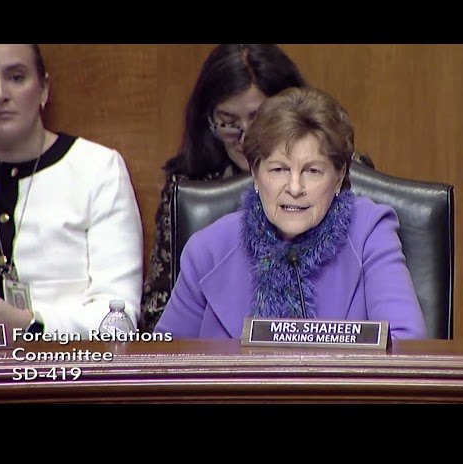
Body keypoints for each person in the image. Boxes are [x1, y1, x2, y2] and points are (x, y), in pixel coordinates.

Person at [155, 86, 427, 340]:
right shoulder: (208, 250)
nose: (295, 188)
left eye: (312, 171)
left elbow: (404, 345)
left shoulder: (369, 232)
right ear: (255, 174)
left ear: (339, 175)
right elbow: (164, 362)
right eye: (279, 170)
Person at [141, 44, 374, 332]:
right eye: (228, 123)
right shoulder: (195, 207)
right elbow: (163, 334)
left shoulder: (364, 219)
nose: (245, 136)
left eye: (258, 117)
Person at [0, 44, 143, 338]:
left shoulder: (98, 169)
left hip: (71, 370)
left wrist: (29, 323)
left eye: (16, 77)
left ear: (43, 90)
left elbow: (119, 321)